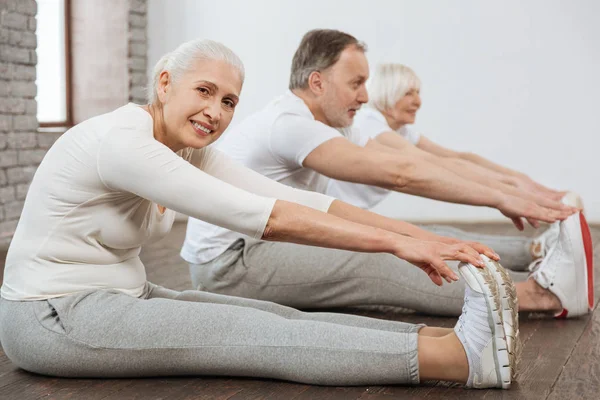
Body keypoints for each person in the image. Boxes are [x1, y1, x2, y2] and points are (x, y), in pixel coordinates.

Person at [0, 38, 518, 389]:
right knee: (246, 338)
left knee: (270, 317)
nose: (216, 112)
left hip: (118, 292)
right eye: (203, 91)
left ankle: (451, 340)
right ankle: (459, 361)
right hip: (52, 317)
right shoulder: (123, 143)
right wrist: (399, 246)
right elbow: (266, 218)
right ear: (163, 84)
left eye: (228, 101)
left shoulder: (186, 148)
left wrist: (418, 236)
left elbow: (302, 202)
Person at [181, 30, 591, 325]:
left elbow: (419, 162)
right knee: (380, 260)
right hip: (229, 264)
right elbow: (400, 173)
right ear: (317, 82)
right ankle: (540, 295)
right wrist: (502, 198)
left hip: (268, 239)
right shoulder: (289, 123)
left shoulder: (334, 120)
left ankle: (535, 256)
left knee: (418, 236)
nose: (365, 95)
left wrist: (513, 191)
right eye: (356, 83)